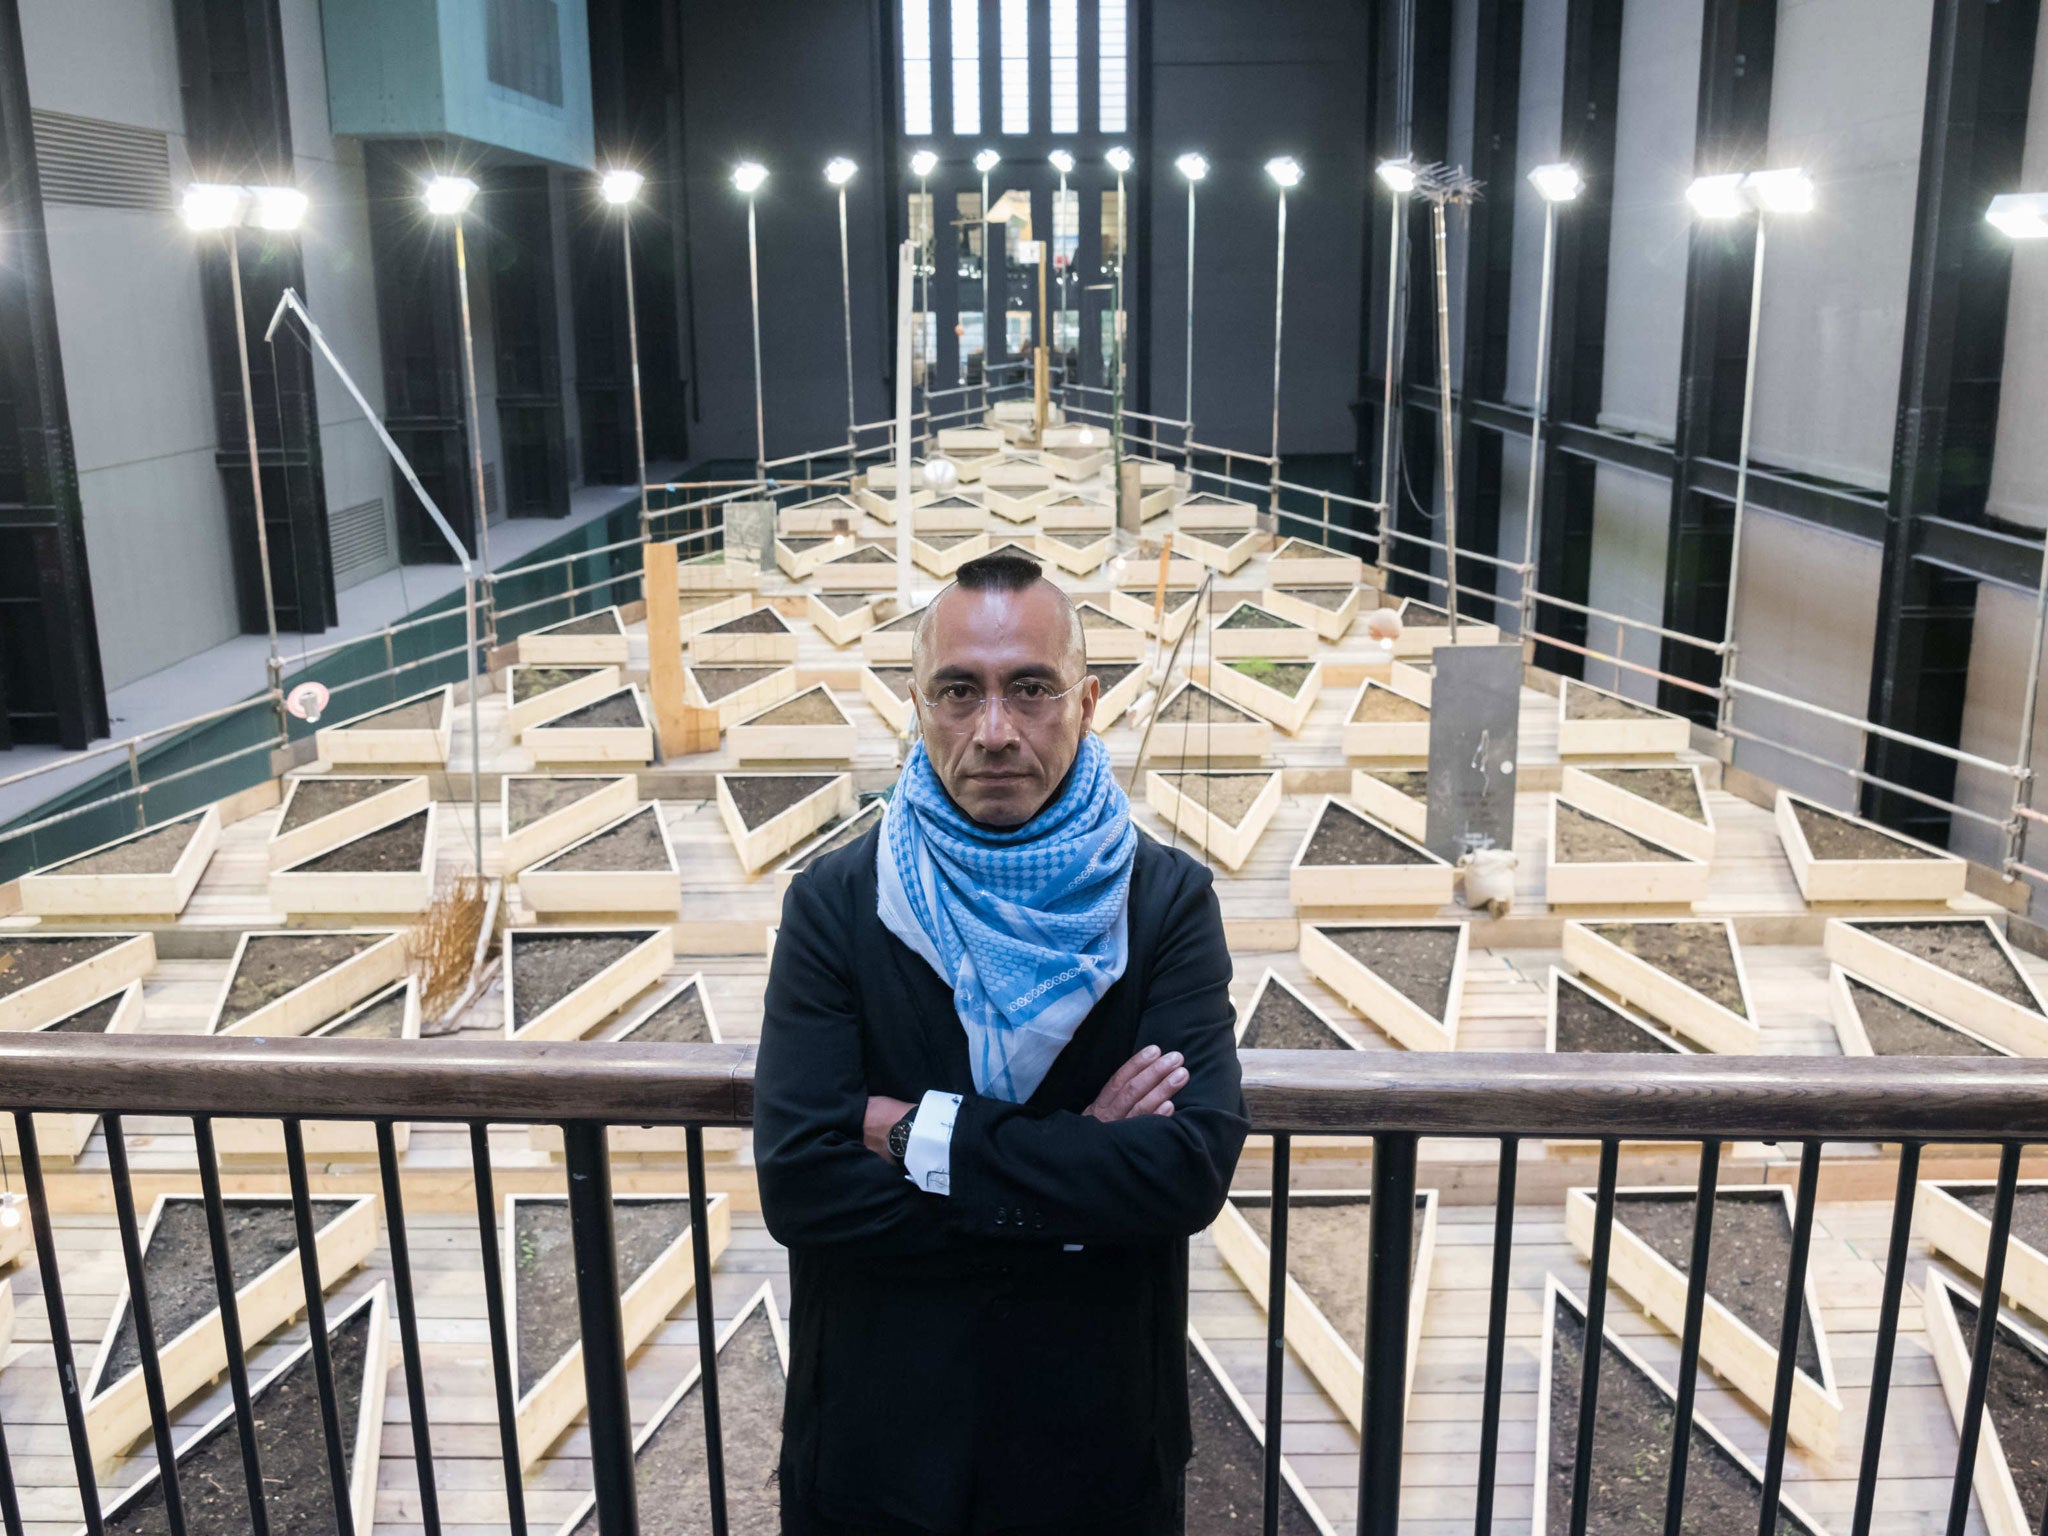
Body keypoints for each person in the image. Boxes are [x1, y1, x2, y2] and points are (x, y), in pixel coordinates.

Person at [755, 550, 1248, 1536]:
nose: (992, 731)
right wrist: (1076, 1173)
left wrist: (922, 1139)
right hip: (878, 1455)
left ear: (1087, 700)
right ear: (915, 703)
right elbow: (800, 1182)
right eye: (957, 691)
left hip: (1093, 1457)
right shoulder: (834, 905)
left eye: (1030, 689)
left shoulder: (1164, 908)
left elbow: (1185, 1171)